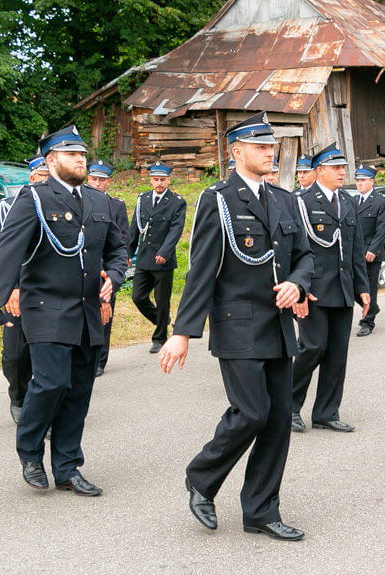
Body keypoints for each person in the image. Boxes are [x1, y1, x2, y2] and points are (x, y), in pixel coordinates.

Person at [159, 112, 314, 541]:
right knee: (251, 412)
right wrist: (182, 331)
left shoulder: (284, 200)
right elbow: (201, 269)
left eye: (273, 146)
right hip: (238, 326)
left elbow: (305, 256)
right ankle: (201, 478)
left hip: (279, 326)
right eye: (262, 147)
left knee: (279, 421)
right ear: (237, 152)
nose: (271, 153)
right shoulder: (219, 199)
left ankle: (261, 511)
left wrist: (297, 286)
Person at [0, 125, 128, 496]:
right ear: (51, 160)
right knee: (51, 382)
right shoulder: (34, 199)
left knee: (78, 391)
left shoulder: (100, 202)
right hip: (45, 308)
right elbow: (5, 256)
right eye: (71, 154)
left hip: (87, 310)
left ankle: (67, 467)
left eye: (82, 154)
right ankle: (29, 451)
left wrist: (117, 276)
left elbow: (118, 249)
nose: (80, 159)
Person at [290, 143, 370, 433]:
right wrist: (297, 288)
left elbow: (354, 248)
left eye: (343, 168)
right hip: (312, 290)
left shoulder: (348, 202)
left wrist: (363, 287)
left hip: (342, 289)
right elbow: (291, 250)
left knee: (337, 352)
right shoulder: (300, 202)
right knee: (312, 347)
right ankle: (288, 405)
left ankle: (326, 412)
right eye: (336, 168)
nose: (342, 172)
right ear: (319, 171)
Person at [0, 156, 48, 423]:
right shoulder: (6, 207)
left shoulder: (64, 207)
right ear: (32, 177)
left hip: (48, 293)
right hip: (16, 294)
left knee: (46, 353)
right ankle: (18, 396)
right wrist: (10, 287)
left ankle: (40, 408)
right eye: (41, 175)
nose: (46, 180)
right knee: (14, 354)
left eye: (50, 175)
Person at [128, 161, 187, 353]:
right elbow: (134, 228)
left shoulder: (177, 202)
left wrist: (165, 251)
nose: (159, 183)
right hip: (144, 259)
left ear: (169, 180)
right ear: (150, 180)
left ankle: (160, 337)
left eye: (162, 179)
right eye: (155, 179)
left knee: (163, 301)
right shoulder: (142, 199)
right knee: (138, 296)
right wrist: (128, 253)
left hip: (163, 260)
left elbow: (175, 230)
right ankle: (162, 320)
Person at [86, 160, 128, 376]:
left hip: (105, 268)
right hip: (85, 266)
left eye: (101, 180)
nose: (97, 183)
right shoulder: (78, 201)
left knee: (104, 313)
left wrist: (114, 269)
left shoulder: (116, 206)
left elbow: (121, 239)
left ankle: (100, 361)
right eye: (94, 179)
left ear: (109, 182)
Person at [353, 164, 385, 337]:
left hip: (370, 255)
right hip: (355, 254)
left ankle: (367, 322)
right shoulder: (353, 202)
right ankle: (373, 307)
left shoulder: (381, 201)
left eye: (362, 180)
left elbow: (382, 228)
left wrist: (374, 250)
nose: (359, 184)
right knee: (354, 288)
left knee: (368, 288)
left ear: (371, 181)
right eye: (357, 181)